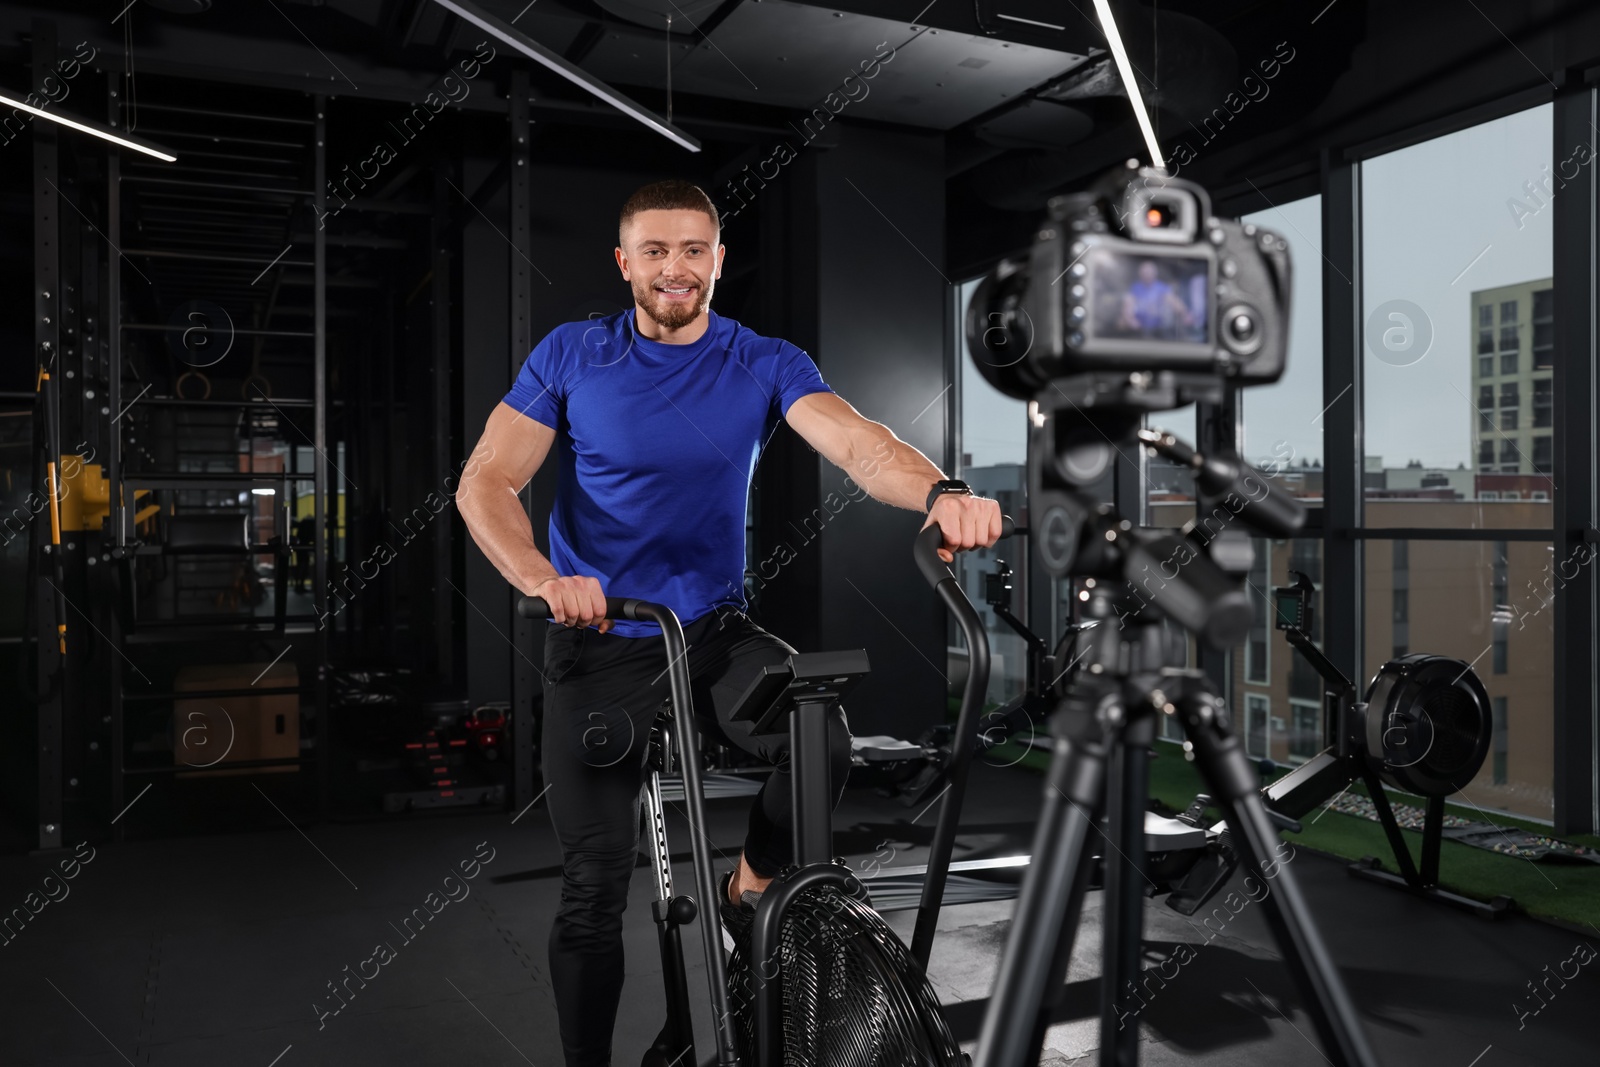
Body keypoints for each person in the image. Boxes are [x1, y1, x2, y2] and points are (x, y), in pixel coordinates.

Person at [455, 179, 1002, 1067]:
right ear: (626, 262)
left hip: (710, 631)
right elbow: (487, 481)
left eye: (695, 250)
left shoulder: (761, 359)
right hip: (601, 639)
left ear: (717, 260)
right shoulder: (571, 356)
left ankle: (747, 892)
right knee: (593, 889)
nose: (677, 269)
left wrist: (942, 491)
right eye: (658, 251)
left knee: (818, 737)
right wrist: (545, 576)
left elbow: (861, 443)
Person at [1118, 258, 1195, 336]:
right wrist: (1131, 321)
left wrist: (1184, 313)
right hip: (1139, 325)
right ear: (1140, 273)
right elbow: (1128, 306)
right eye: (1145, 272)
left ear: (1155, 273)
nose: (1147, 274)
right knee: (1122, 322)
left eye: (1149, 272)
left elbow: (1174, 301)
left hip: (1158, 325)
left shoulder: (1162, 288)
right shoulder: (1135, 288)